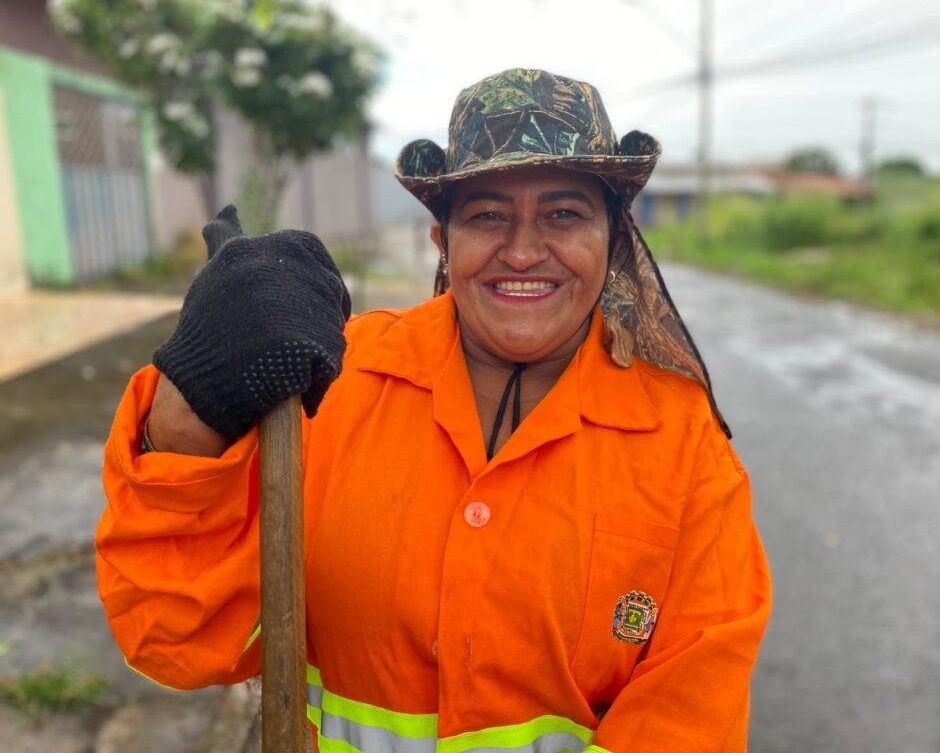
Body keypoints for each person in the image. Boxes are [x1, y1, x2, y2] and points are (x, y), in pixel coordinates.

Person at [96, 68, 772, 752]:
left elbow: (692, 719)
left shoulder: (683, 441)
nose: (523, 250)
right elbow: (172, 638)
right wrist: (191, 404)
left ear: (613, 238)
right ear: (442, 241)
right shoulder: (332, 381)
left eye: (564, 213)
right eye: (486, 216)